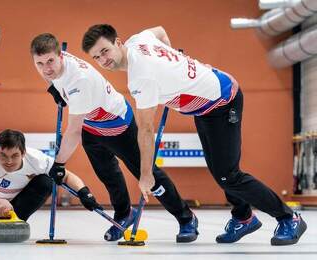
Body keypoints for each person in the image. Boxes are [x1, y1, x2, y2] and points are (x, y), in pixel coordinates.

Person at [81, 24, 307, 246]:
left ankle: (288, 218)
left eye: (105, 51)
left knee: (228, 175)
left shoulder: (141, 77)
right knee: (221, 171)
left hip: (222, 101)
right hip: (205, 106)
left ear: (118, 43)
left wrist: (146, 174)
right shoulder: (138, 40)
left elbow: (146, 130)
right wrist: (174, 59)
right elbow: (160, 30)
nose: (103, 60)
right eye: (96, 57)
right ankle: (243, 218)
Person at [30, 33, 197, 242]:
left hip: (117, 123)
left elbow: (73, 131)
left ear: (61, 56)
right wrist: (53, 87)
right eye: (40, 64)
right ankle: (124, 214)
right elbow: (49, 75)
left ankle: (186, 218)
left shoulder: (78, 81)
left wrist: (60, 164)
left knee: (147, 175)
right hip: (91, 124)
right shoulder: (52, 64)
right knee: (108, 175)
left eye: (51, 61)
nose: (46, 68)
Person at [0, 129, 101, 223]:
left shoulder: (37, 159)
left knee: (47, 181)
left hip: (20, 204)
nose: (9, 161)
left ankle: (17, 220)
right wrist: (0, 203)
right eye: (3, 155)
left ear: (23, 153)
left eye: (14, 156)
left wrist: (84, 192)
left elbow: (66, 176)